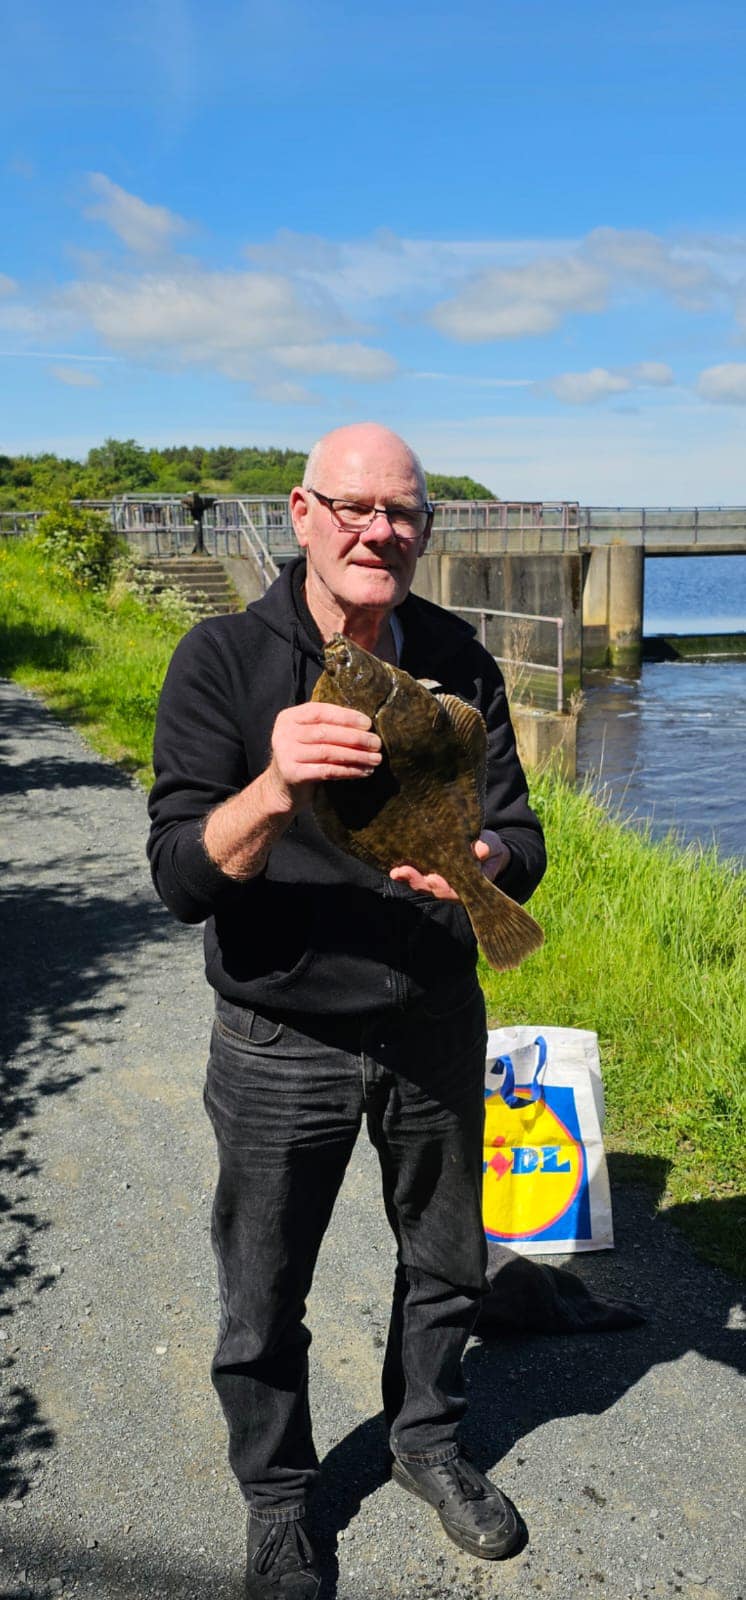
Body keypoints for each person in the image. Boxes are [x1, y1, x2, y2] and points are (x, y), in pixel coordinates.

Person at [147, 423, 546, 1597]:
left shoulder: (459, 659)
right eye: (355, 506)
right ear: (302, 512)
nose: (381, 530)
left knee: (448, 1260)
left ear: (426, 527)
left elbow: (520, 837)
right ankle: (278, 1498)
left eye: (405, 512)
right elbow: (179, 873)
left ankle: (426, 1440)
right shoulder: (220, 660)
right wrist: (271, 785)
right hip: (282, 1032)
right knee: (264, 1286)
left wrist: (477, 855)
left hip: (432, 1009)